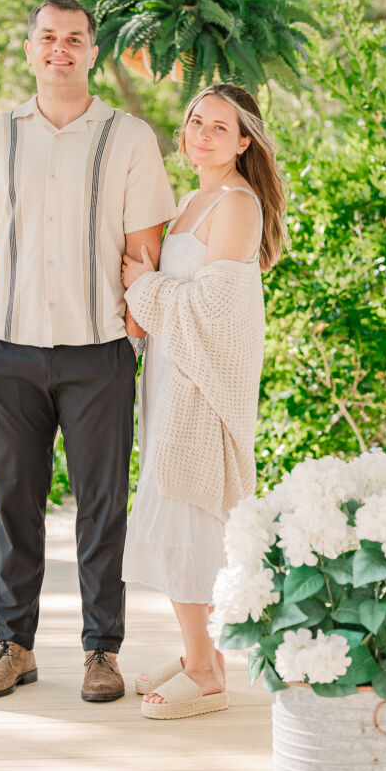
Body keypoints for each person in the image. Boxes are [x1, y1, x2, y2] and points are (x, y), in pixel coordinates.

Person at [0, 0, 176, 702]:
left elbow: (145, 245)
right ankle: (13, 646)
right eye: (47, 37)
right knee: (14, 503)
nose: (59, 50)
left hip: (97, 352)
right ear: (29, 47)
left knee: (102, 507)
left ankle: (101, 651)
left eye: (74, 39)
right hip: (6, 351)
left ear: (92, 52)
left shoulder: (128, 137)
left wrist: (132, 331)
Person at [121, 83, 287, 720]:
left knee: (185, 512)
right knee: (170, 509)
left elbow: (218, 311)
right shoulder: (193, 198)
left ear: (245, 141)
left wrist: (146, 287)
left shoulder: (236, 204)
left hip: (200, 387)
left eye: (220, 127)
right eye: (196, 122)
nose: (202, 134)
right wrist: (150, 293)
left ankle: (203, 673)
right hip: (170, 376)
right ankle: (203, 655)